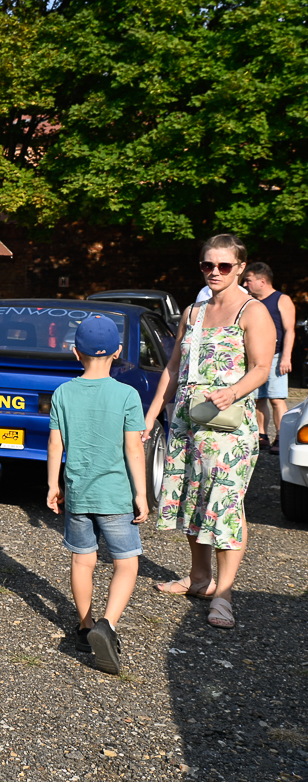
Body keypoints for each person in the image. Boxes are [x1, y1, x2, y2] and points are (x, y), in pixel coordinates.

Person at [144, 234, 275, 630]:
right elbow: (172, 367)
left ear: (240, 268)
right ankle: (200, 579)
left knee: (225, 505)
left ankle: (224, 594)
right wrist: (151, 416)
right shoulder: (193, 312)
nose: (214, 272)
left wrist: (231, 392)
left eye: (223, 266)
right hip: (187, 421)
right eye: (207, 265)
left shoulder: (253, 312)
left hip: (229, 427)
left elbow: (262, 367)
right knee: (192, 500)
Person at [46, 314, 148, 675]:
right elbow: (134, 449)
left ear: (76, 353)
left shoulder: (62, 393)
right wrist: (142, 494)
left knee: (82, 560)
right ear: (118, 352)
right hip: (116, 496)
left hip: (78, 493)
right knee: (126, 562)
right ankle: (108, 624)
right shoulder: (127, 395)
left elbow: (55, 444)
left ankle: (85, 625)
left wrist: (52, 485)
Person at [240, 262, 296, 454]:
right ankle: (261, 436)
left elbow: (289, 330)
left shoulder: (282, 299)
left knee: (276, 399)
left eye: (248, 280)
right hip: (254, 358)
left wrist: (286, 356)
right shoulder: (250, 302)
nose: (245, 285)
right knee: (258, 399)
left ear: (262, 281)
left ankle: (281, 436)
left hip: (276, 356)